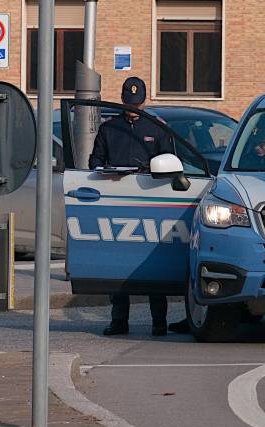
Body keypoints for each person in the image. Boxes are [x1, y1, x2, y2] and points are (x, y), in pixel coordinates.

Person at [89, 77, 188, 336]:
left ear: (144, 101)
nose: (133, 109)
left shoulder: (157, 128)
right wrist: (107, 172)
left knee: (153, 266)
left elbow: (170, 163)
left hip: (151, 203)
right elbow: (95, 162)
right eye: (129, 103)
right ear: (123, 100)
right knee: (119, 265)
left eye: (137, 104)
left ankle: (159, 323)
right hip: (118, 202)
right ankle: (119, 321)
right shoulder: (109, 129)